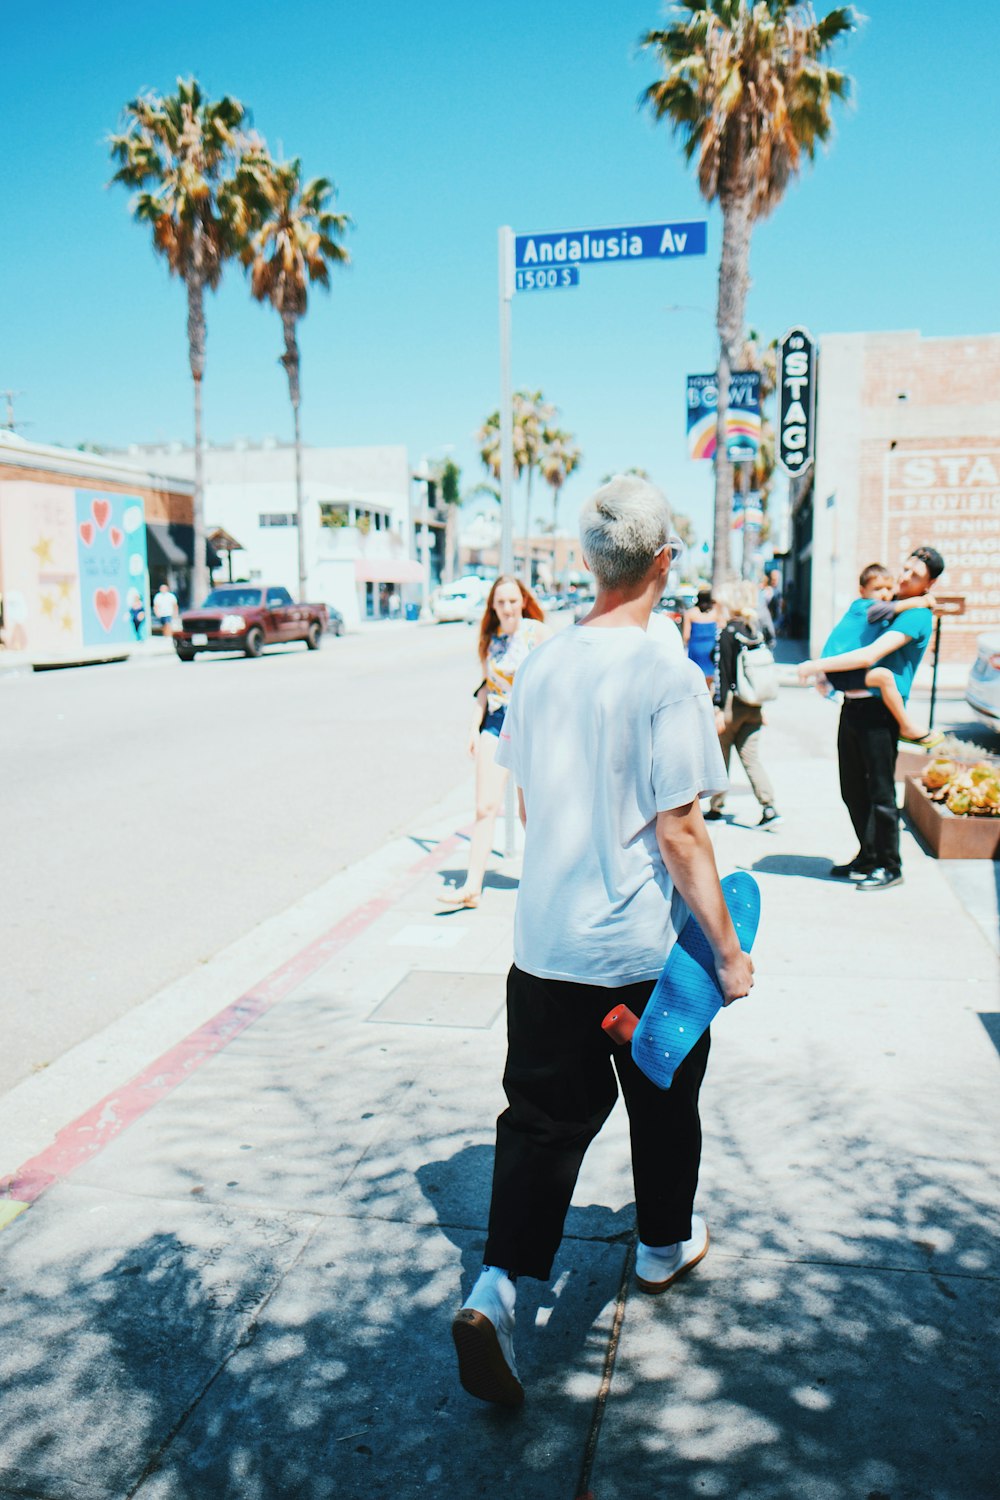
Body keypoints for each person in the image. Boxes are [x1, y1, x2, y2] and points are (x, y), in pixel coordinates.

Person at [451, 476, 752, 1408]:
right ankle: (662, 1246)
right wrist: (730, 953)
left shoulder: (538, 663)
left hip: (544, 949)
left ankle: (496, 1290)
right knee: (662, 1100)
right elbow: (681, 831)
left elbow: (532, 801)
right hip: (637, 960)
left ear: (587, 562)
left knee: (539, 1124)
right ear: (665, 563)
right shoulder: (666, 674)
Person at [797, 546, 945, 890]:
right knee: (852, 787)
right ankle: (868, 854)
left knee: (879, 790)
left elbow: (870, 654)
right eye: (905, 569)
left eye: (916, 575)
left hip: (880, 713)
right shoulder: (891, 604)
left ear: (930, 583)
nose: (906, 577)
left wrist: (815, 666)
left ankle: (889, 865)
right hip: (853, 705)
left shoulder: (916, 614)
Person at [442, 576, 548, 909]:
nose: (507, 608)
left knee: (529, 810)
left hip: (531, 724)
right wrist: (473, 728)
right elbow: (486, 687)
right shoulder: (490, 638)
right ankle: (472, 886)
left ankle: (545, 881)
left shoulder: (538, 632)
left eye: (513, 601)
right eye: (500, 602)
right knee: (484, 808)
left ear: (523, 601)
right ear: (492, 606)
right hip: (496, 722)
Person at [810, 563, 943, 746]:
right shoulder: (869, 607)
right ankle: (906, 725)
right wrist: (925, 600)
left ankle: (905, 726)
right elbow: (899, 606)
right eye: (877, 589)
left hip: (840, 675)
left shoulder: (871, 608)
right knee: (884, 677)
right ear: (862, 591)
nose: (884, 594)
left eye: (888, 588)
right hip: (839, 672)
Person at [705, 581, 781, 828]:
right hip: (754, 705)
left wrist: (718, 708)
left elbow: (722, 674)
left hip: (731, 706)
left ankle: (716, 808)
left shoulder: (727, 633)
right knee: (751, 759)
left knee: (720, 758)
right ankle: (769, 808)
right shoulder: (753, 630)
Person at [682, 586, 720, 689]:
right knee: (710, 677)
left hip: (695, 648)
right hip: (710, 648)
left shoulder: (690, 613)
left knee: (696, 677)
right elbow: (722, 627)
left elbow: (686, 635)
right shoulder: (715, 613)